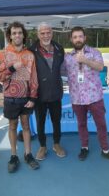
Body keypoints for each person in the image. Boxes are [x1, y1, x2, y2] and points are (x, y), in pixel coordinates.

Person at [62, 26, 109, 163]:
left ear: (85, 38)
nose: (78, 39)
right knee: (81, 124)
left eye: (80, 36)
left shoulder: (94, 52)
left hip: (94, 97)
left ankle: (106, 150)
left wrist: (85, 60)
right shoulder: (67, 57)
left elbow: (100, 67)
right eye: (75, 37)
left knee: (101, 124)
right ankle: (84, 147)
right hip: (77, 98)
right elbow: (60, 72)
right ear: (71, 39)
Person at [0, 21, 40, 173]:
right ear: (10, 36)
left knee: (26, 126)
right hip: (10, 98)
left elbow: (34, 77)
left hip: (26, 98)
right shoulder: (3, 54)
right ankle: (13, 156)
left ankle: (28, 154)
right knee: (13, 126)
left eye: (19, 32)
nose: (17, 35)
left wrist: (33, 97)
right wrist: (11, 68)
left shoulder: (30, 55)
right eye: (14, 33)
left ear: (23, 35)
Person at [29, 22, 66, 161]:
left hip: (56, 93)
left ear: (52, 33)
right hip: (39, 95)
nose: (46, 35)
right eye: (42, 33)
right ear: (38, 35)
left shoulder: (59, 48)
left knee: (57, 121)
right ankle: (42, 146)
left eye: (48, 32)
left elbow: (63, 68)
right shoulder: (31, 50)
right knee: (40, 122)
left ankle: (56, 144)